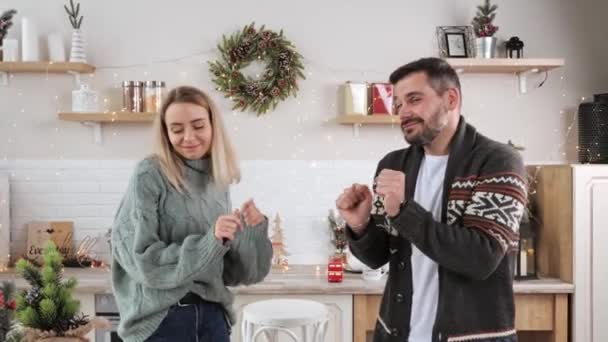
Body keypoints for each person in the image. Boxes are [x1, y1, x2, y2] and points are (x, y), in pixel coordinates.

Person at [336, 58, 527, 342]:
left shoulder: (497, 161)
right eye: (398, 104)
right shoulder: (393, 164)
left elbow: (481, 258)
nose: (403, 113)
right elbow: (377, 258)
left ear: (451, 99)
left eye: (414, 99)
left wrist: (403, 211)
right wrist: (360, 225)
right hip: (396, 333)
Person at [111, 85, 273, 342]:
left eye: (198, 126)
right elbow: (143, 263)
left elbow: (236, 274)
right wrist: (211, 240)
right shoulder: (150, 173)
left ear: (212, 126)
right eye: (176, 129)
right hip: (163, 320)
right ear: (166, 133)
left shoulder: (217, 177)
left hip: (213, 318)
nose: (188, 137)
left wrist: (251, 233)